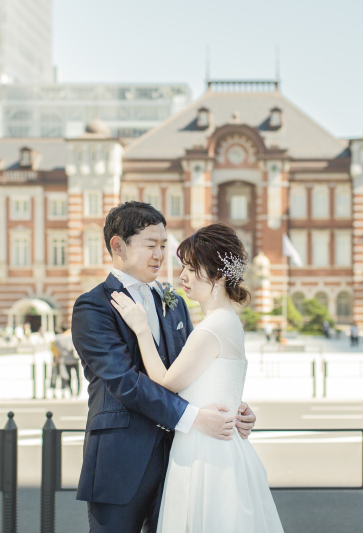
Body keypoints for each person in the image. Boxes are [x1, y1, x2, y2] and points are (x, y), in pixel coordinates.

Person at [71, 203, 259, 533]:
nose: (161, 254)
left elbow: (193, 372)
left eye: (163, 245)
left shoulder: (173, 302)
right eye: (150, 244)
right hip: (122, 460)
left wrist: (232, 406)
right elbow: (124, 382)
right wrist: (194, 417)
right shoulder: (93, 306)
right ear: (118, 245)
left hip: (181, 458)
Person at [109, 222, 282, 532]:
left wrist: (141, 328)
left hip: (205, 450)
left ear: (216, 274)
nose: (182, 276)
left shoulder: (211, 328)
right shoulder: (228, 322)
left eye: (190, 267)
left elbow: (164, 381)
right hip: (219, 444)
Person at [54, 324, 80, 397]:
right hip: (75, 359)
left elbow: (57, 351)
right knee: (78, 377)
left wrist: (56, 360)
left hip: (65, 360)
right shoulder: (72, 337)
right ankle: (78, 392)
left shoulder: (58, 338)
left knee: (68, 377)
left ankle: (71, 392)